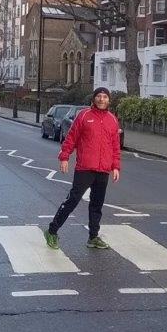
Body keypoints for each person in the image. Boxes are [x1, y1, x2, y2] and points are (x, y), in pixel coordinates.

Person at [44, 87, 121, 250]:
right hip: (85, 167)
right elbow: (71, 138)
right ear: (93, 99)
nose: (101, 99)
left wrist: (115, 166)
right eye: (99, 96)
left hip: (103, 170)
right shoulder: (84, 116)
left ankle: (93, 237)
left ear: (109, 100)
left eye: (105, 97)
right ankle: (52, 231)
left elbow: (115, 146)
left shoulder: (112, 120)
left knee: (97, 205)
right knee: (72, 200)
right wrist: (64, 157)